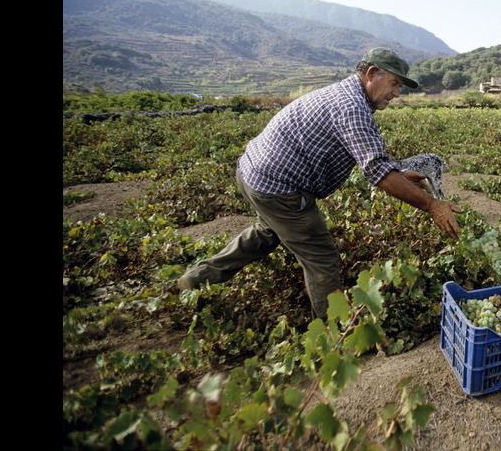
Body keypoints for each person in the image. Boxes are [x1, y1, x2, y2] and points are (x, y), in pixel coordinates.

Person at [176, 48, 462, 319]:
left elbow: (370, 158)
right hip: (279, 186)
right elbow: (377, 172)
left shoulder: (347, 97)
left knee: (268, 232)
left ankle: (196, 279)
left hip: (253, 172)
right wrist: (431, 205)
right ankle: (333, 334)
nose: (397, 93)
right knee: (322, 258)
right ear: (371, 73)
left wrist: (399, 173)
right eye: (394, 83)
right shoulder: (352, 107)